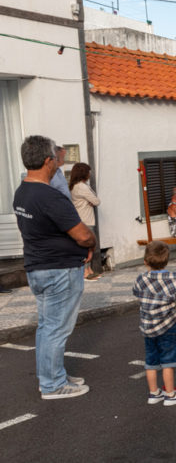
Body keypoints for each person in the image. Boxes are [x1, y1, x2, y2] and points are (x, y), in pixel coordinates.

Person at [13, 135, 96, 399]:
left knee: (47, 326)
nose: (58, 166)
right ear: (48, 161)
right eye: (56, 161)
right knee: (56, 329)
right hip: (59, 270)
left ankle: (51, 375)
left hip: (38, 266)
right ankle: (53, 385)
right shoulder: (50, 197)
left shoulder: (22, 191)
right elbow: (82, 235)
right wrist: (91, 243)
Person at [132, 240, 176, 406]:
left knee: (150, 361)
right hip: (168, 325)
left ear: (145, 261)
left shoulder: (140, 280)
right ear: (167, 260)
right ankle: (170, 395)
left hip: (147, 326)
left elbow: (136, 292)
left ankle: (154, 393)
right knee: (168, 361)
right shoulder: (173, 280)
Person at [69, 162, 102, 281]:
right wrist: (92, 201)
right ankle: (85, 272)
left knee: (86, 247)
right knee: (88, 246)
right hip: (86, 219)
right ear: (84, 173)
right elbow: (97, 201)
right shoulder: (82, 187)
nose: (89, 174)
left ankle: (89, 270)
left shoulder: (73, 186)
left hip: (80, 219)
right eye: (88, 172)